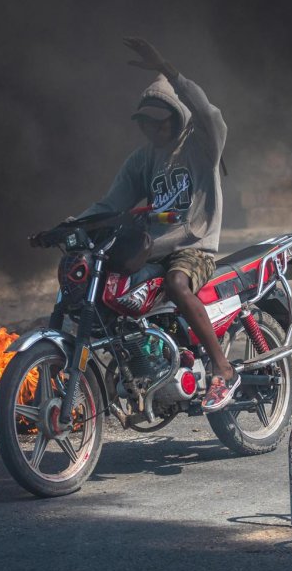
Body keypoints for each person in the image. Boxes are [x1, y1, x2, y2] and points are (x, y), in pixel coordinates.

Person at [78, 37, 238, 412]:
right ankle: (144, 365)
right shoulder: (142, 159)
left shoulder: (201, 144)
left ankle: (222, 367)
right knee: (116, 290)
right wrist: (71, 225)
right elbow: (110, 203)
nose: (152, 130)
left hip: (193, 247)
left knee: (176, 283)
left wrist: (168, 68)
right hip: (153, 247)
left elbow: (208, 112)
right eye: (145, 124)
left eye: (159, 122)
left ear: (176, 116)